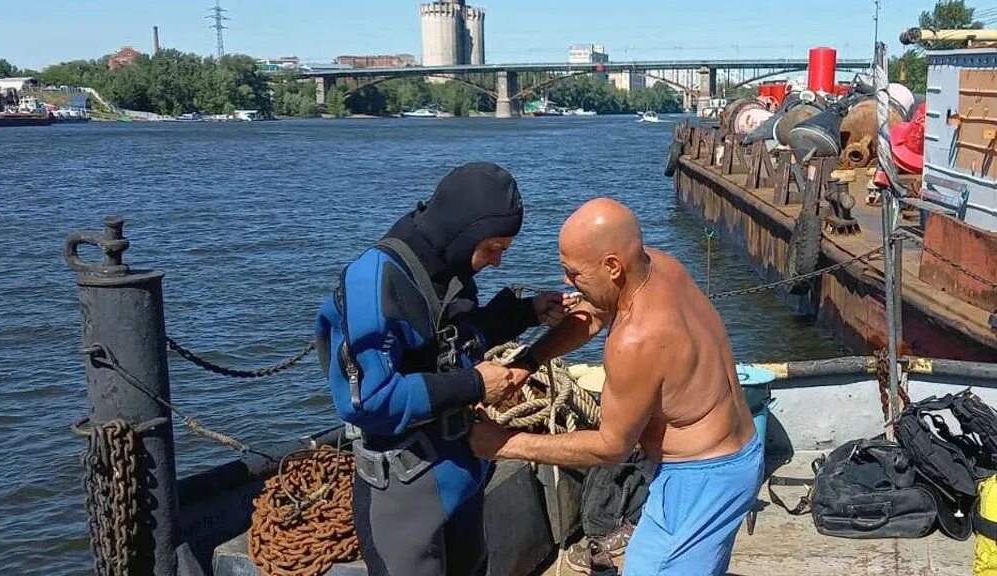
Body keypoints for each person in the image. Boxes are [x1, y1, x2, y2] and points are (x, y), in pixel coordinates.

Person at [469, 198, 761, 576]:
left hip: (702, 480)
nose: (566, 282)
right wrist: (529, 362)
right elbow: (592, 314)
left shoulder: (636, 339)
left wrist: (504, 443)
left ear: (612, 266)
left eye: (573, 273)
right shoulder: (658, 265)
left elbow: (612, 447)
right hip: (737, 454)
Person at [315, 162, 564, 576]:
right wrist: (474, 385)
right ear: (463, 231)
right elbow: (367, 400)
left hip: (462, 476)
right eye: (493, 248)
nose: (498, 262)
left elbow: (453, 343)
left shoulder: (448, 266)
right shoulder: (373, 281)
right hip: (404, 497)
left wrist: (525, 312)